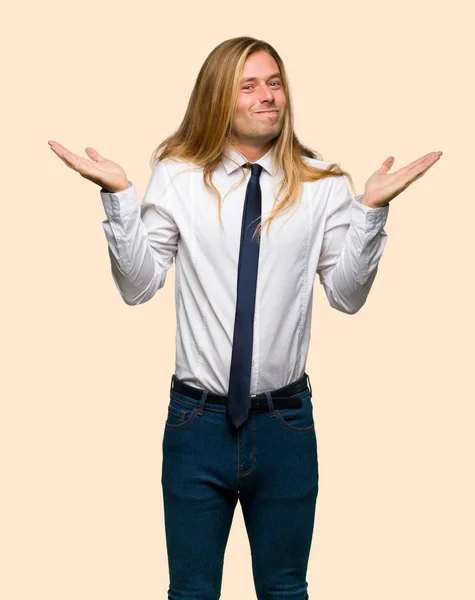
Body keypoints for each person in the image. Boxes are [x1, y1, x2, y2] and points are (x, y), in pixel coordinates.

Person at [49, 36, 442, 600]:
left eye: (274, 82)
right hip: (197, 423)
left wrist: (371, 212)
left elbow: (347, 296)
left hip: (285, 424)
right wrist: (118, 199)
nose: (267, 96)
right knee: (191, 592)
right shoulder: (179, 176)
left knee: (285, 590)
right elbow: (138, 286)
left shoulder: (324, 183)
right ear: (219, 99)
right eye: (249, 85)